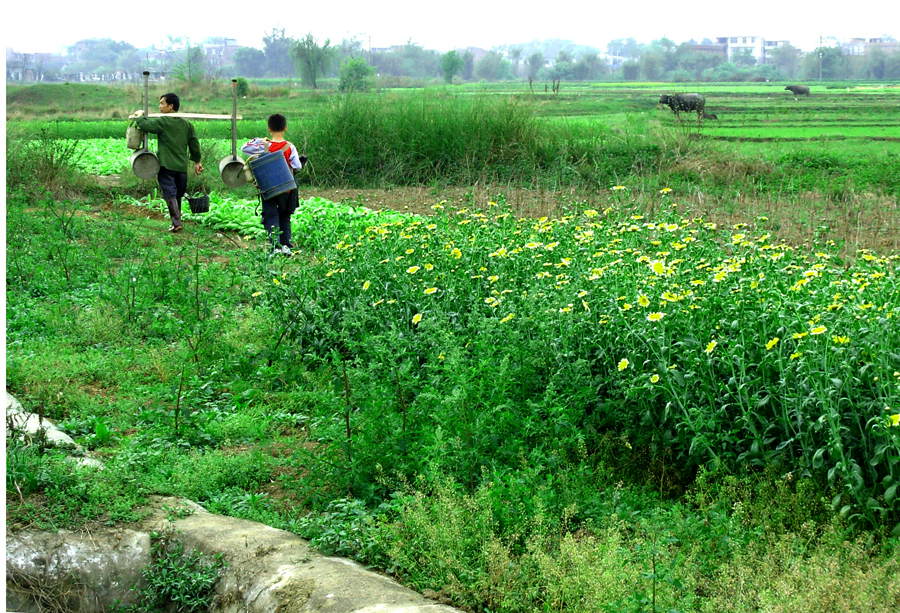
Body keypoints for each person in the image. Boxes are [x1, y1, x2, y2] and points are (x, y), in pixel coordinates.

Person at [129, 93, 203, 232]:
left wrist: (139, 116)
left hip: (166, 165)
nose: (160, 106)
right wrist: (197, 161)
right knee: (178, 194)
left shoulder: (163, 122)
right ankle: (177, 221)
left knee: (170, 194)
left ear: (171, 106)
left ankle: (176, 222)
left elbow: (146, 125)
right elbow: (194, 144)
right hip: (181, 166)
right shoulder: (187, 124)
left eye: (162, 103)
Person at [241, 114, 306, 255]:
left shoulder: (264, 145)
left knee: (271, 216)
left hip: (268, 188)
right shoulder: (290, 146)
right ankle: (286, 246)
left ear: (269, 128)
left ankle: (275, 246)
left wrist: (260, 140)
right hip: (287, 188)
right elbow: (298, 166)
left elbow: (244, 148)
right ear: (285, 128)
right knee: (285, 216)